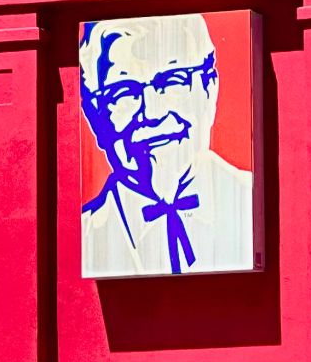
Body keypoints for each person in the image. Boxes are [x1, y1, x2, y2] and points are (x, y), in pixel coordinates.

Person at [78, 14, 254, 277]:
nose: (152, 112)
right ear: (95, 116)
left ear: (209, 91)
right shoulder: (86, 234)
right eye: (123, 91)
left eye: (173, 80)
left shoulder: (253, 204)